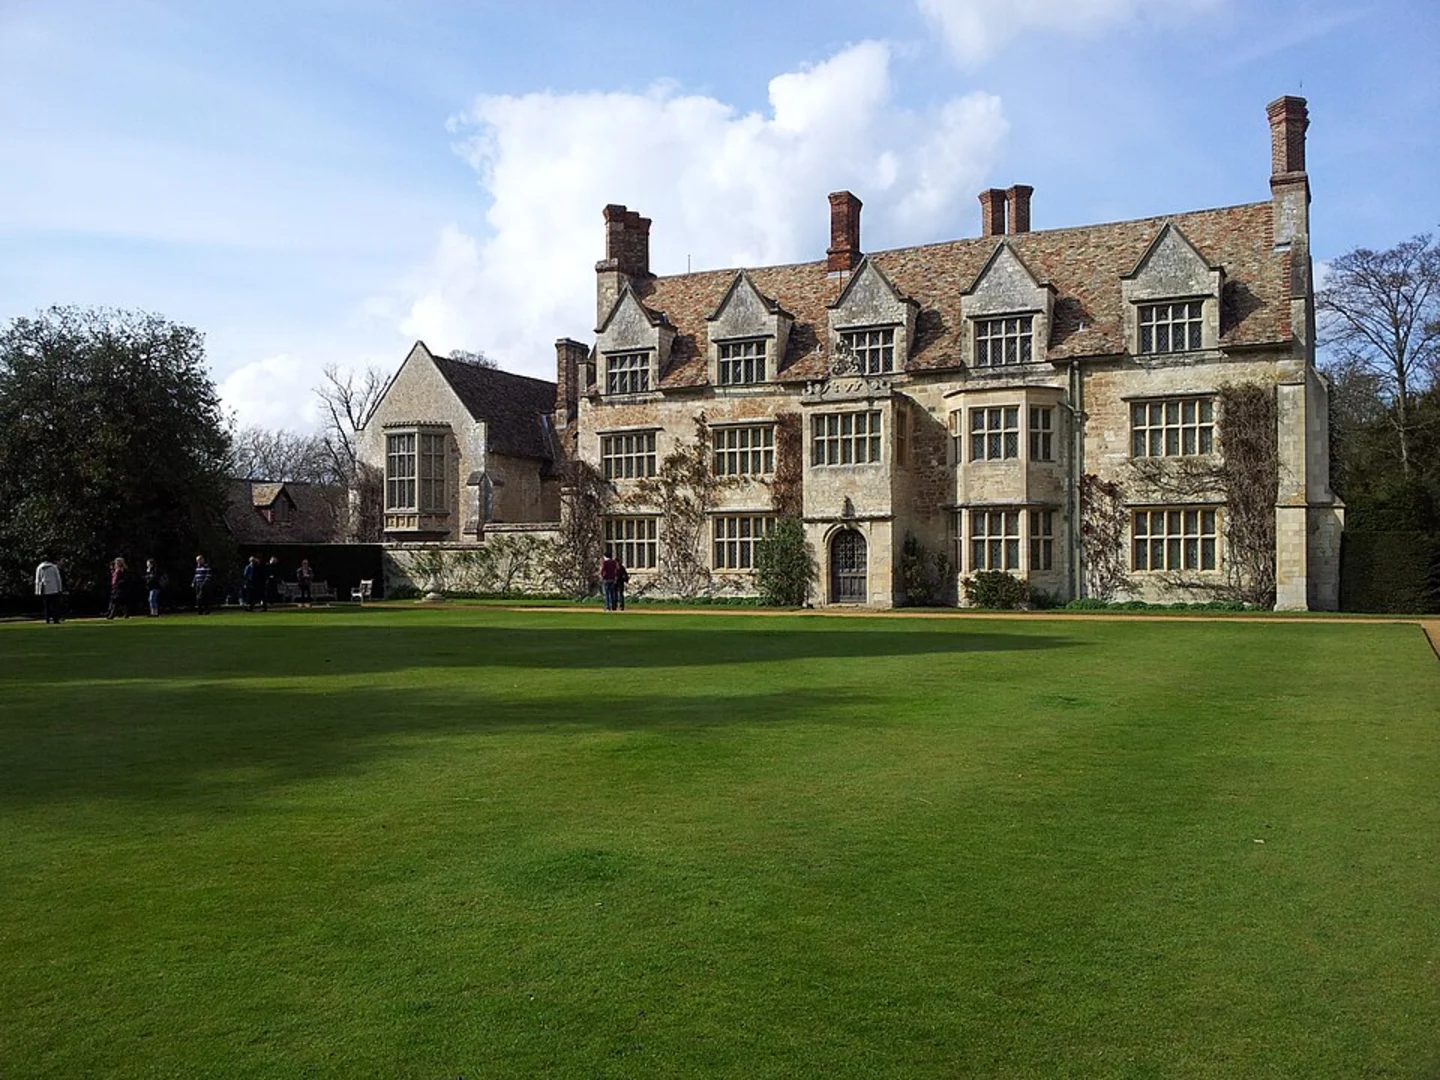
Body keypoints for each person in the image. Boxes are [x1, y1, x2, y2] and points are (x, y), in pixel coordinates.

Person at [35, 558, 64, 623]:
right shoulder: (54, 567)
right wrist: (60, 589)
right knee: (55, 605)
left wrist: (37, 591)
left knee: (47, 606)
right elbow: (58, 579)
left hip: (45, 589)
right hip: (54, 589)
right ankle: (55, 619)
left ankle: (47, 619)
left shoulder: (39, 567)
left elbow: (37, 580)